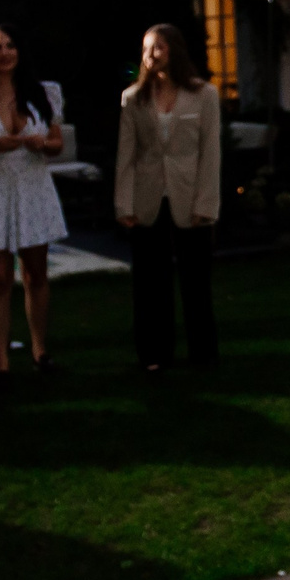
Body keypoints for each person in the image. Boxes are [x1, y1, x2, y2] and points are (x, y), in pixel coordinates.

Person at [0, 25, 68, 375]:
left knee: (35, 273)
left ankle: (40, 350)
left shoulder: (44, 93)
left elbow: (57, 143)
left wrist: (42, 145)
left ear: (20, 51)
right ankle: (1, 361)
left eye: (10, 46)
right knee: (0, 276)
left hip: (32, 185)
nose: (4, 53)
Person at [114, 23, 222, 372]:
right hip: (147, 198)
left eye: (158, 47)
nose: (151, 55)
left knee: (196, 281)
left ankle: (202, 354)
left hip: (190, 198)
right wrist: (124, 205)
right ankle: (154, 356)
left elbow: (211, 153)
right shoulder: (133, 99)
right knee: (149, 282)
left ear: (174, 49)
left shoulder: (204, 95)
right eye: (146, 49)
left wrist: (205, 205)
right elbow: (125, 155)